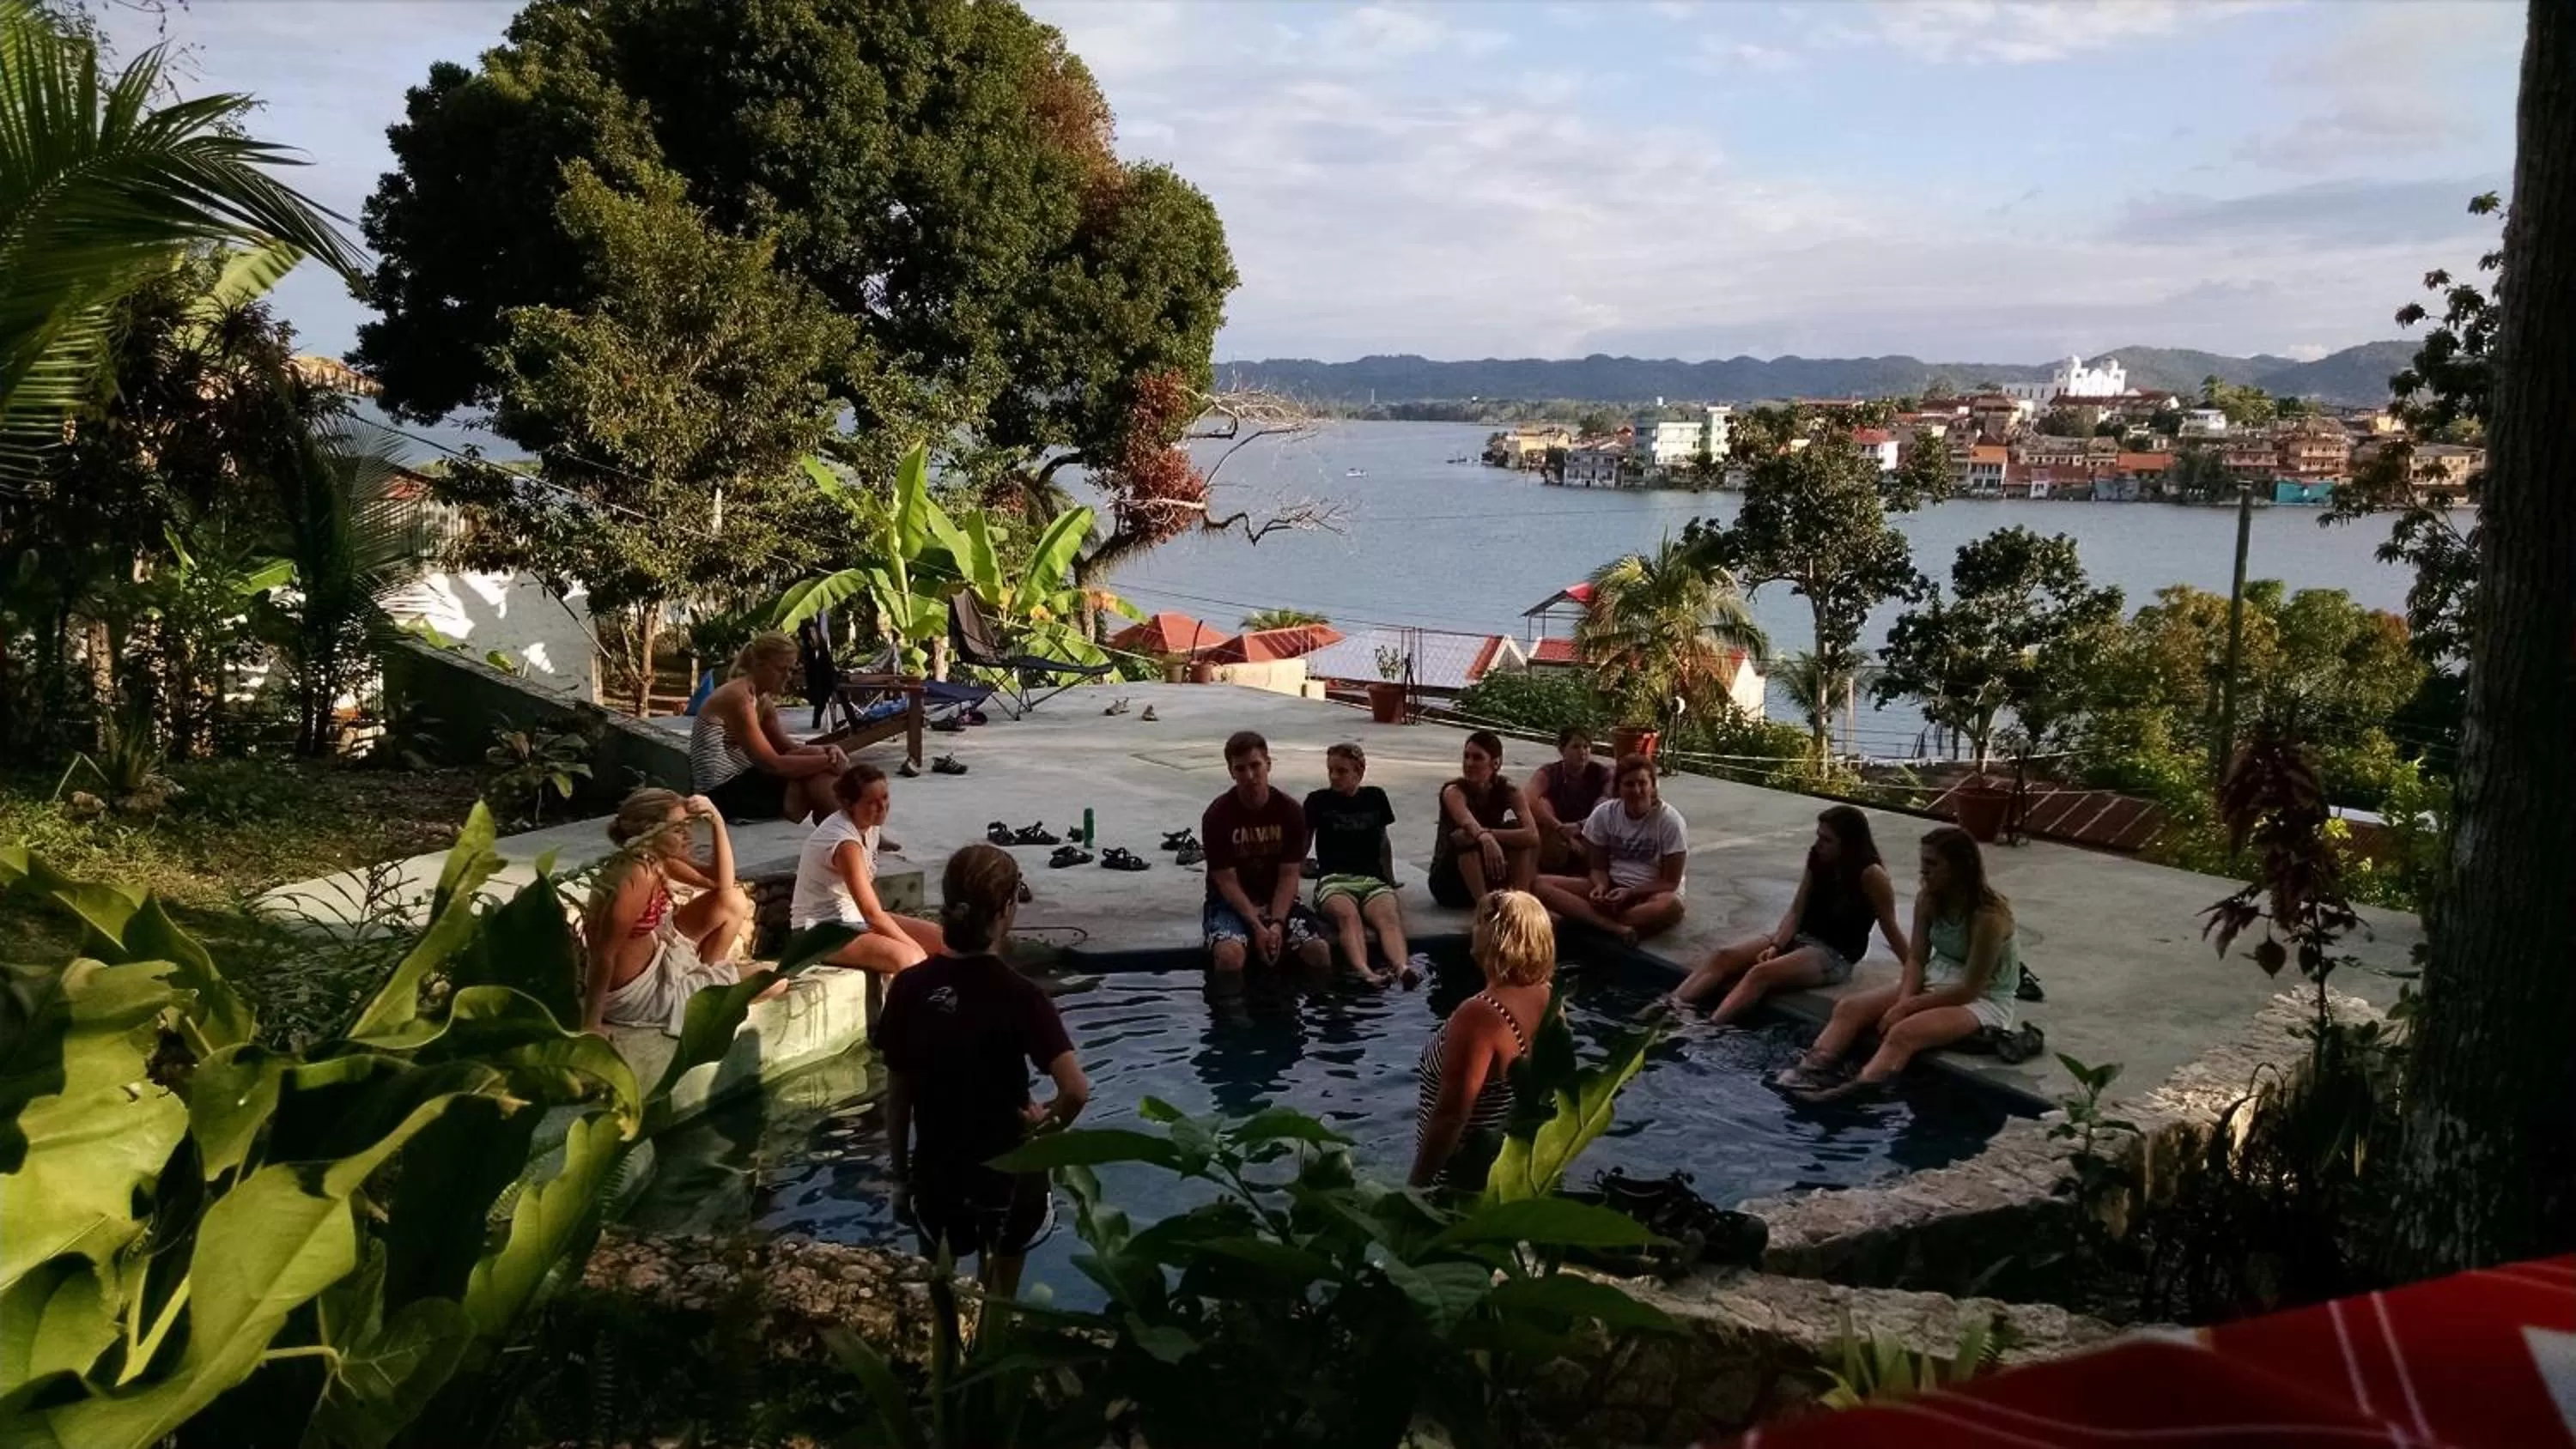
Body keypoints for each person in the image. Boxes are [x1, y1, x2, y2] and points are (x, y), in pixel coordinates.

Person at [872, 844, 1090, 1294]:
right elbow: (1076, 1091)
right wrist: (1043, 1129)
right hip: (1008, 1177)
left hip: (938, 1175)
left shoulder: (910, 986)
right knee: (998, 1305)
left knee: (938, 1302)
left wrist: (899, 1177)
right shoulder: (1022, 995)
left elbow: (898, 1096)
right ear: (1007, 908)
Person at [1777, 826, 2024, 1102]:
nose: (1923, 872)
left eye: (1932, 864)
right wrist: (1903, 1001)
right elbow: (1917, 958)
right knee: (1849, 1008)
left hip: (1982, 999)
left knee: (1903, 1033)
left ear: (1959, 868)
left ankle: (1848, 1094)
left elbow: (1969, 989)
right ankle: (1808, 1071)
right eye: (1922, 864)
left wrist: (1906, 1008)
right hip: (1936, 978)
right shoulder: (1929, 898)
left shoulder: (1988, 917)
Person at [1669, 805, 1908, 1024]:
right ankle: (1669, 1007)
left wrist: (1915, 972)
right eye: (1819, 836)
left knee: (1759, 974)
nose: (1819, 843)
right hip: (1801, 937)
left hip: (1834, 954)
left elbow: (1890, 926)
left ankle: (1708, 1028)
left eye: (1827, 840)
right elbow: (1797, 909)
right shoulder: (1817, 858)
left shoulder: (1871, 874)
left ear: (1848, 844)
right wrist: (1777, 944)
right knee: (1723, 956)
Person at [1409, 889, 1556, 1190]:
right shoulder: (1549, 998)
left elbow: (1451, 1115)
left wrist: (1415, 1189)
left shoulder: (1479, 1015)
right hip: (1514, 1172)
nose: (1471, 930)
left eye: (1478, 923)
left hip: (1461, 1180)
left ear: (1495, 936)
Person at [580, 789, 754, 1034]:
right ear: (651, 831)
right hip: (641, 993)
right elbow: (603, 951)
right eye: (678, 828)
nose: (688, 835)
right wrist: (591, 1024)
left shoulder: (654, 858)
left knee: (732, 900)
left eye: (688, 826)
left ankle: (704, 981)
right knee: (772, 981)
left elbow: (723, 884)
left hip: (658, 959)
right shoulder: (635, 876)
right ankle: (702, 996)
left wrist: (716, 820)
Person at [790, 763, 947, 973]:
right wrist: (915, 947)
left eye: (885, 797)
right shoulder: (845, 844)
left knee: (944, 941)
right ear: (849, 804)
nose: (882, 807)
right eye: (871, 802)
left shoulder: (870, 826)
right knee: (911, 958)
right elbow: (872, 914)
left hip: (854, 919)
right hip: (821, 932)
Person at [1202, 730, 1333, 975]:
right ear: (1231, 772)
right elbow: (1225, 881)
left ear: (1268, 765)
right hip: (1230, 902)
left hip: (1277, 899)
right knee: (1230, 956)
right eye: (1241, 769)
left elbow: (1289, 875)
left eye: (1255, 766)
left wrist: (1277, 923)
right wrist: (1256, 925)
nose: (1250, 776)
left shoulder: (1290, 811)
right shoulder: (1217, 816)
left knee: (1318, 951)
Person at [1303, 742, 1428, 988]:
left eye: (1342, 771)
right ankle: (1365, 971)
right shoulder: (1317, 801)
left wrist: (1389, 878)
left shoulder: (1375, 797)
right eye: (1331, 771)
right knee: (1348, 917)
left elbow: (1383, 841)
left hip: (1372, 879)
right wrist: (1296, 868)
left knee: (1388, 918)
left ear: (1359, 772)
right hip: (1334, 879)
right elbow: (1303, 842)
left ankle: (1402, 967)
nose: (1334, 777)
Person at [689, 632, 846, 824]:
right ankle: (852, 828)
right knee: (815, 772)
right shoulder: (738, 697)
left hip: (744, 783)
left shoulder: (762, 700)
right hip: (721, 795)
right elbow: (771, 763)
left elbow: (788, 749)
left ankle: (844, 826)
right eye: (782, 669)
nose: (787, 676)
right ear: (759, 665)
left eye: (791, 670)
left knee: (813, 763)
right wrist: (828, 762)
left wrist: (828, 751)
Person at [1531, 754, 1688, 945]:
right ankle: (1616, 928)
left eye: (1642, 783)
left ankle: (1587, 918)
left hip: (1650, 893)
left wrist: (1630, 893)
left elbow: (1669, 882)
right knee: (1539, 884)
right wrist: (1600, 887)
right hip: (1612, 885)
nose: (1637, 790)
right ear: (1618, 789)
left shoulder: (1670, 821)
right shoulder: (1604, 814)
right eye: (1629, 784)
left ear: (1653, 786)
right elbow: (1598, 867)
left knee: (1672, 906)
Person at [1426, 730, 1540, 907]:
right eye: (1466, 756)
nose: (1469, 763)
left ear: (1495, 763)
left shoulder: (1509, 790)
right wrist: (1485, 838)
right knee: (1464, 836)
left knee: (1517, 830)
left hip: (1491, 871)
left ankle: (1520, 904)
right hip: (1450, 881)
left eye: (1478, 758)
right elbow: (1469, 824)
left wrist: (1490, 835)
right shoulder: (1454, 791)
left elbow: (1532, 835)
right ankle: (1484, 908)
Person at [1526, 725, 1611, 875]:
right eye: (1576, 747)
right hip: (1558, 834)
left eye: (1586, 747)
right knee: (1542, 803)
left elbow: (1610, 802)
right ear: (1562, 750)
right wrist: (1560, 829)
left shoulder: (1601, 773)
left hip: (1589, 831)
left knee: (1603, 802)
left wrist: (1582, 825)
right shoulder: (1551, 772)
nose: (1583, 752)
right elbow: (1528, 798)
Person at [796, 613, 839, 731]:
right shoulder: (809, 639)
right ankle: (818, 719)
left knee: (824, 694)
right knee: (820, 695)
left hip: (823, 670)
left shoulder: (819, 643)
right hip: (816, 670)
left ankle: (820, 719)